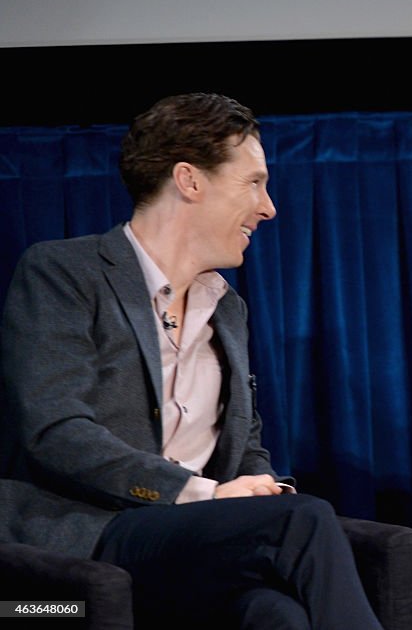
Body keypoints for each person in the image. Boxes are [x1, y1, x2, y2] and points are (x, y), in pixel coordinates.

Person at [0, 93, 383, 629]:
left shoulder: (227, 308)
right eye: (254, 182)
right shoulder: (64, 273)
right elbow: (56, 431)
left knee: (278, 616)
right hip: (97, 533)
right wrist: (203, 494)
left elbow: (245, 444)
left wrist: (259, 484)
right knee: (305, 520)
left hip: (194, 544)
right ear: (190, 181)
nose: (268, 206)